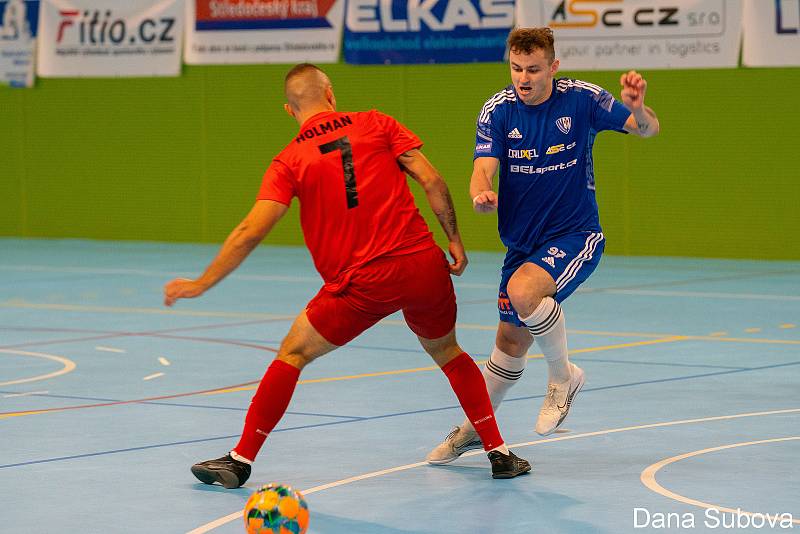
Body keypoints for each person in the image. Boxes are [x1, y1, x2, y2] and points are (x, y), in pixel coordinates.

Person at [164, 63, 531, 488]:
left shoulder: (289, 161)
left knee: (292, 353)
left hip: (362, 284)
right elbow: (431, 179)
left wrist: (201, 283)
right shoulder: (377, 123)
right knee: (448, 351)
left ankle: (239, 459)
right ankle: (499, 452)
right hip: (422, 266)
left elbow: (250, 231)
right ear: (331, 94)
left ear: (290, 109)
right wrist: (454, 240)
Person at [427, 27, 660, 464]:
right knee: (509, 344)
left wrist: (638, 109)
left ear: (553, 67)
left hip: (576, 234)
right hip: (522, 245)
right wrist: (482, 191)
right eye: (516, 68)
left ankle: (562, 377)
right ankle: (474, 431)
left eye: (534, 69)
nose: (524, 77)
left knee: (524, 291)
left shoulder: (582, 99)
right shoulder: (497, 111)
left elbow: (646, 130)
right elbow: (482, 167)